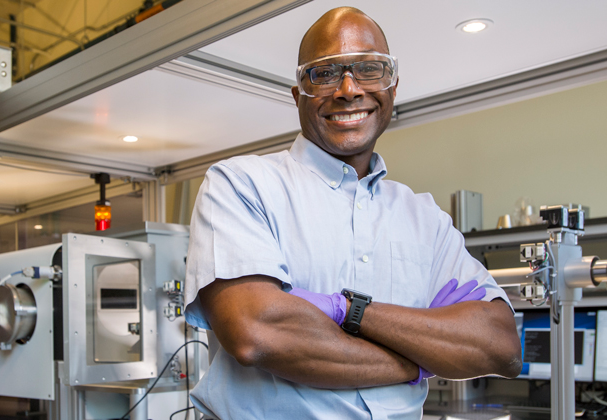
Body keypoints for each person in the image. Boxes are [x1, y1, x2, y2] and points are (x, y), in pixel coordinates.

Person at [183, 7, 522, 419]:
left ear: (393, 89)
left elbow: (499, 345)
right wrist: (419, 363)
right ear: (298, 95)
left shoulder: (424, 217)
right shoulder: (242, 185)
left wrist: (346, 310)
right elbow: (258, 334)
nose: (348, 89)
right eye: (324, 74)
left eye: (368, 70)